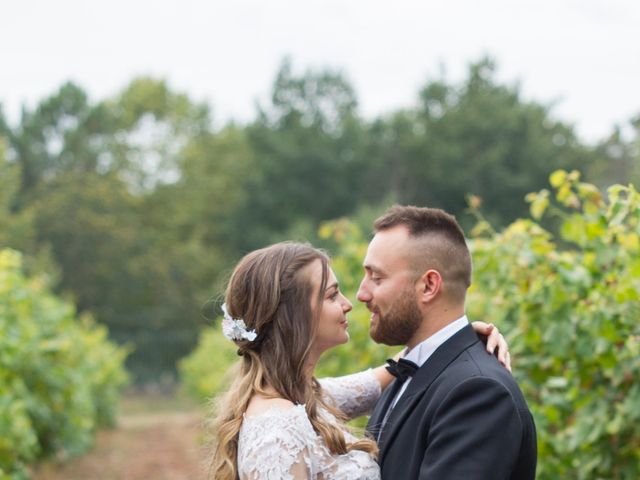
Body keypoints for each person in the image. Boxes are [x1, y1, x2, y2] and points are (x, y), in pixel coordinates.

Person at [209, 241, 510, 479]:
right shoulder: (276, 432)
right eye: (331, 296)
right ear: (295, 317)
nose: (349, 304)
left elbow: (384, 376)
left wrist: (453, 335)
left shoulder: (305, 397)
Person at [359, 205, 537, 479]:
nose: (362, 293)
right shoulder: (406, 372)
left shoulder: (478, 391)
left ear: (429, 286)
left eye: (377, 277)